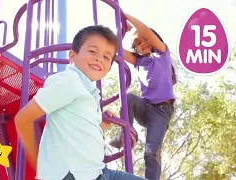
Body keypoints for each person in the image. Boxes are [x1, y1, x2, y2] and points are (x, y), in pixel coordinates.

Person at [15, 25, 145, 180]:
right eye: (92, 51)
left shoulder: (89, 92)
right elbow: (23, 119)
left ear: (109, 67)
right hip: (73, 175)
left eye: (106, 57)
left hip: (98, 172)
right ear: (72, 56)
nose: (99, 58)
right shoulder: (69, 81)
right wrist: (39, 165)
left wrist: (99, 126)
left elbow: (77, 129)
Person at [109, 13, 177, 180]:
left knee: (150, 153)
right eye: (137, 43)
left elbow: (145, 30)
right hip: (145, 109)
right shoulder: (138, 62)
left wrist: (125, 16)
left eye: (145, 39)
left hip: (161, 111)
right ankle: (128, 133)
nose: (143, 44)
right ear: (135, 48)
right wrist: (122, 30)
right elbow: (113, 47)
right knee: (128, 97)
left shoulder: (162, 54)